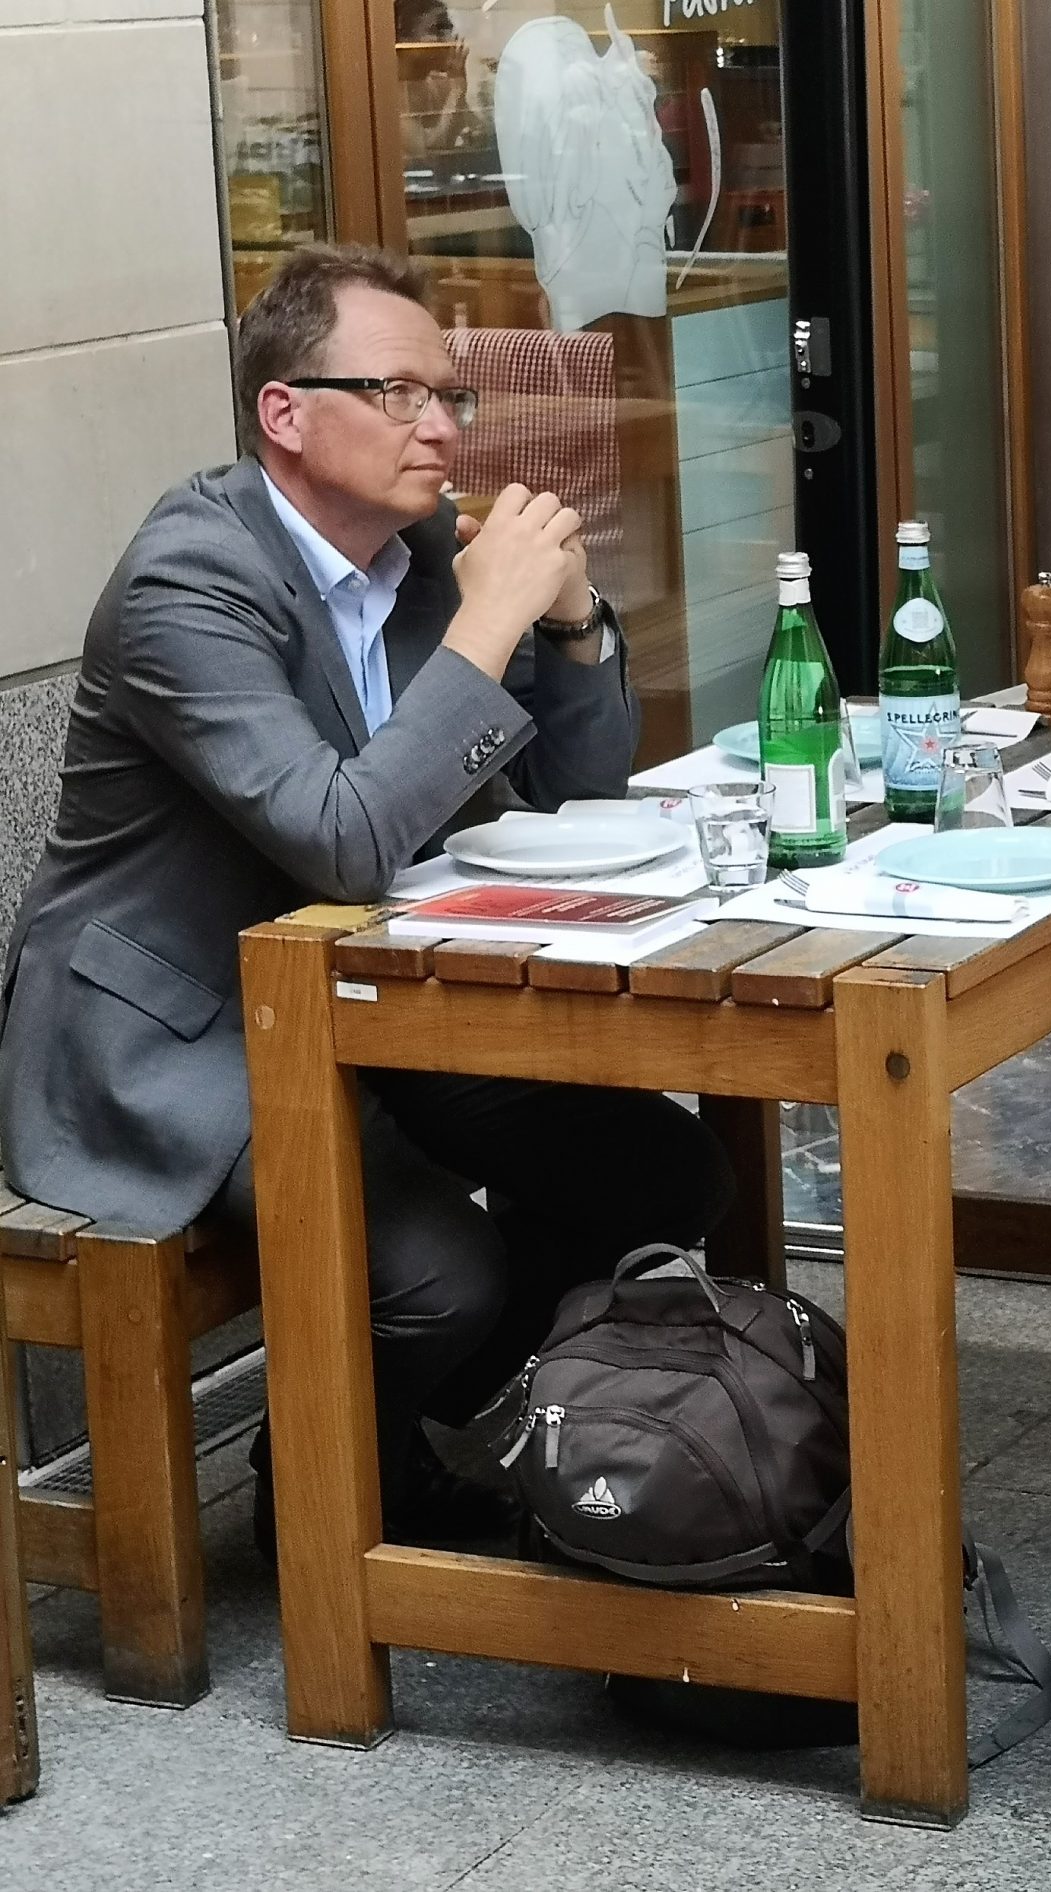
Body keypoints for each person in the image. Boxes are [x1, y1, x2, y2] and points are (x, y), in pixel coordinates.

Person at [0, 245, 730, 1551]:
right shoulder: (188, 579)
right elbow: (338, 838)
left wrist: (569, 622)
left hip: (367, 991)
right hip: (178, 1027)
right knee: (445, 1275)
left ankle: (399, 1452)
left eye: (450, 396)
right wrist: (486, 626)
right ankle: (331, 1498)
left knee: (659, 1173)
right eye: (399, 393)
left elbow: (574, 800)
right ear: (285, 413)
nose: (441, 427)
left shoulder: (420, 558)